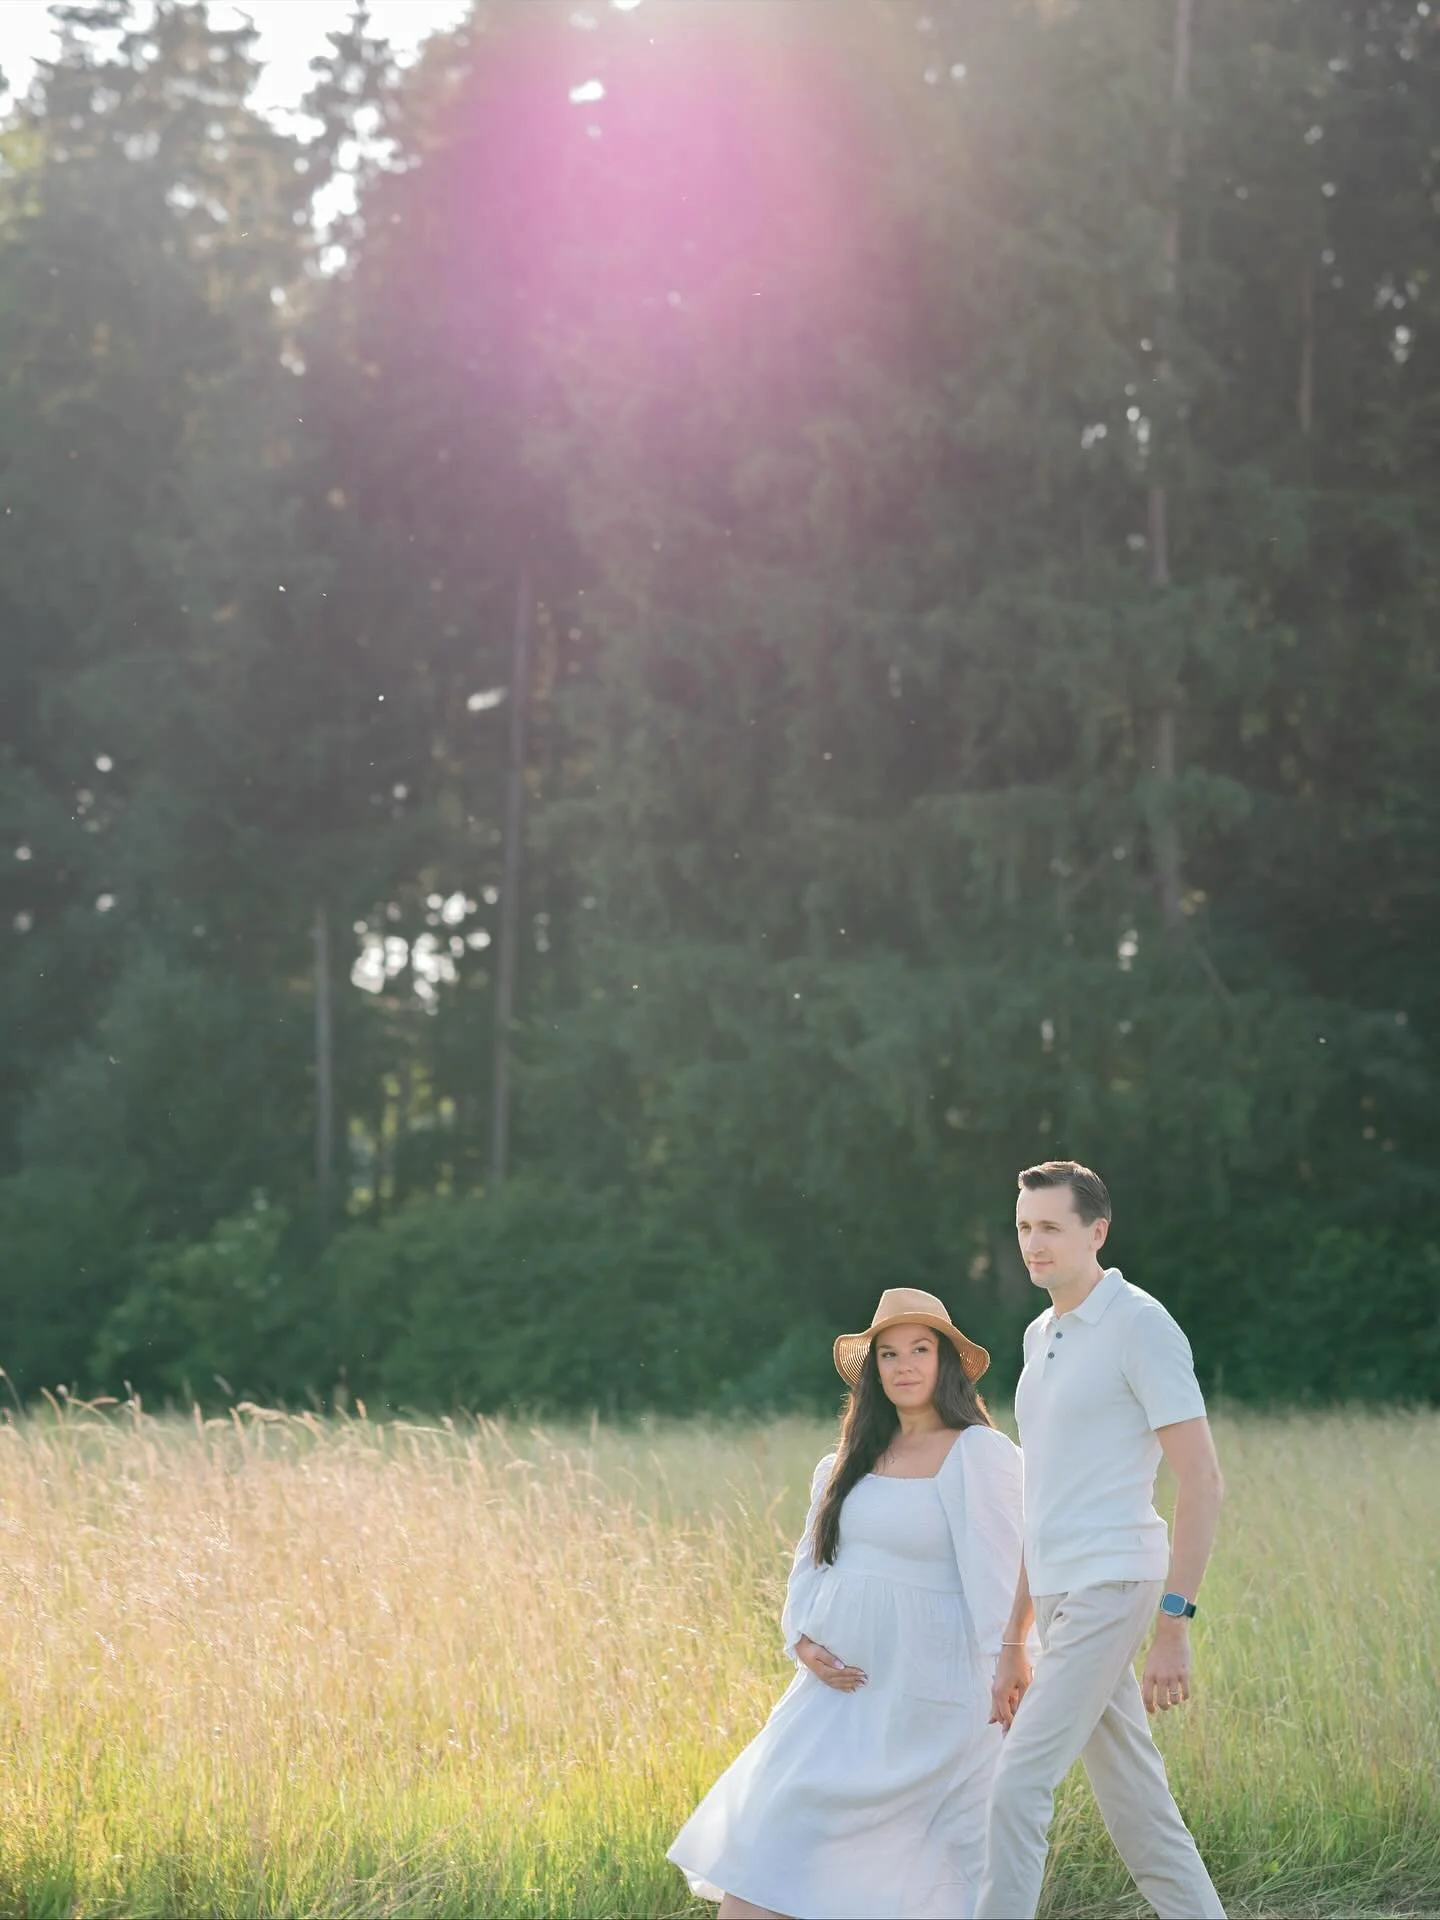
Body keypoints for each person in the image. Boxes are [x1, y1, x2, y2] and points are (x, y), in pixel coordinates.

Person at [668, 1288, 1030, 1920]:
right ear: (874, 1370)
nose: (904, 1365)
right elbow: (810, 1564)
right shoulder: (843, 1464)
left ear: (945, 1362)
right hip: (840, 1693)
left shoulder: (978, 1452)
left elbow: (1016, 1565)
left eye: (920, 1350)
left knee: (924, 1866)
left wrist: (1012, 1661)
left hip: (935, 1696)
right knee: (773, 1826)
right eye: (888, 1354)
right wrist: (803, 1640)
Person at [974, 1160, 1227, 1920]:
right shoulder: (1039, 1335)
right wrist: (1015, 1637)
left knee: (1017, 1784)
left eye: (1051, 1227)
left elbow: (1203, 1480)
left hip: (1113, 1582)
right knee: (1138, 1808)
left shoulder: (1140, 1325)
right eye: (1024, 1227)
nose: (1034, 1243)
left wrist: (1175, 1625)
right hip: (1060, 1593)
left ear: (1097, 1232)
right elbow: (1041, 1500)